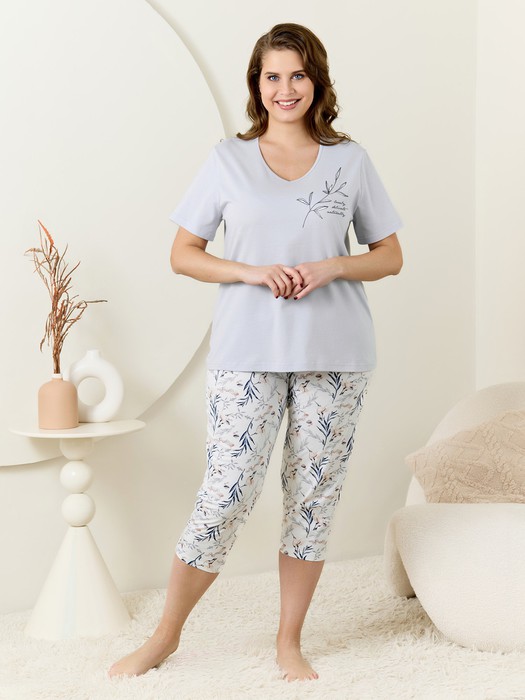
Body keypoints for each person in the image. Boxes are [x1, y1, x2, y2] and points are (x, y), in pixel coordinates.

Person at [109, 22, 403, 682]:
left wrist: (332, 265)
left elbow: (389, 255)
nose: (285, 88)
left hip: (336, 353)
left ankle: (288, 642)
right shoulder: (227, 160)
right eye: (272, 76)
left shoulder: (350, 160)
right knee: (227, 493)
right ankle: (165, 636)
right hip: (246, 352)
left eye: (297, 74)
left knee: (313, 500)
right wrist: (249, 271)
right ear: (256, 84)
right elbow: (183, 254)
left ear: (316, 81)